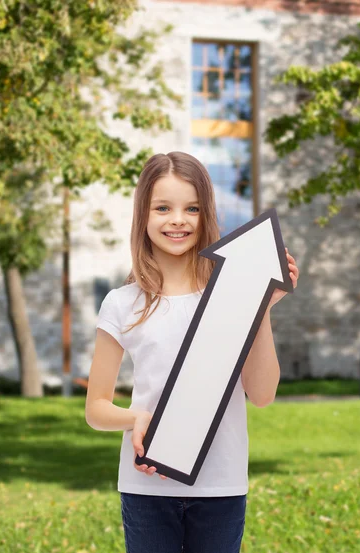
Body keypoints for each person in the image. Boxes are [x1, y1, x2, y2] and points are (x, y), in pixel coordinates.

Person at [85, 151, 299, 553]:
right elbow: (96, 408)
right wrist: (138, 419)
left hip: (221, 484)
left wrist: (261, 305)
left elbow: (263, 394)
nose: (178, 220)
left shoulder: (230, 293)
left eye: (192, 208)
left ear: (206, 215)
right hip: (147, 487)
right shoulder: (121, 302)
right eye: (163, 208)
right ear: (143, 216)